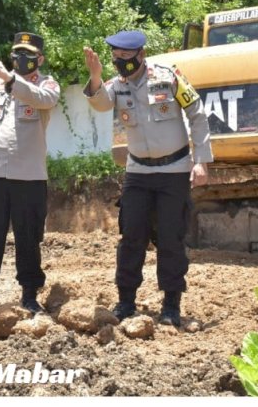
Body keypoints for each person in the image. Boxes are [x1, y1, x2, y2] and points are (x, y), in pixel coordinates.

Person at [83, 30, 213, 327]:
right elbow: (100, 103)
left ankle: (171, 304)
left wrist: (202, 160)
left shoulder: (168, 78)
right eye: (115, 59)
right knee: (131, 236)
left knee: (170, 237)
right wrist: (95, 75)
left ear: (141, 54)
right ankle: (126, 300)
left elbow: (197, 112)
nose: (120, 64)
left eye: (125, 58)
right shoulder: (118, 85)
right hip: (138, 172)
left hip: (174, 169)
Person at [0, 32, 60, 324]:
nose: (21, 58)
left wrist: (10, 80)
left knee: (28, 237)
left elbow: (44, 100)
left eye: (28, 54)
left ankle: (29, 295)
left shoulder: (46, 84)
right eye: (17, 52)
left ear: (39, 59)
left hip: (29, 177)